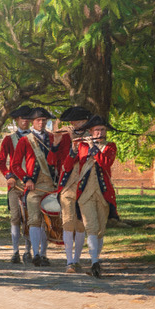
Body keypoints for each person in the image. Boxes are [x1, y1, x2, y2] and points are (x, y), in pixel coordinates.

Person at [12, 107, 71, 267]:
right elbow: (15, 165)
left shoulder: (54, 139)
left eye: (44, 120)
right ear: (33, 122)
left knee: (49, 222)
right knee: (34, 220)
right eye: (38, 120)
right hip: (34, 187)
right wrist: (26, 179)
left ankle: (44, 254)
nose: (41, 123)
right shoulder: (25, 140)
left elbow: (58, 161)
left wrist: (56, 147)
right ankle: (36, 254)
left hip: (52, 186)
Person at [63, 115, 118, 278]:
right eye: (96, 130)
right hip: (85, 193)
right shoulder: (82, 147)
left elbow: (105, 163)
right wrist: (73, 150)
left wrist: (93, 146)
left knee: (100, 230)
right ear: (90, 132)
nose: (99, 132)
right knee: (91, 227)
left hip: (103, 193)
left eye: (102, 130)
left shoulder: (110, 147)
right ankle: (94, 262)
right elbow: (66, 167)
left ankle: (96, 258)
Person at [55, 105, 93, 273]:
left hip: (86, 186)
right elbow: (63, 164)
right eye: (73, 121)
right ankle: (69, 261)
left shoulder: (92, 138)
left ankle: (76, 259)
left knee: (80, 225)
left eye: (78, 121)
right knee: (68, 222)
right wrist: (71, 147)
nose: (74, 124)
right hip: (68, 186)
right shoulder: (64, 138)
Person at [0, 104, 33, 264]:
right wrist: (8, 175)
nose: (25, 121)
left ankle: (28, 250)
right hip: (15, 183)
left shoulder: (35, 137)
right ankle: (15, 251)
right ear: (17, 120)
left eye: (27, 118)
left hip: (32, 182)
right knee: (15, 217)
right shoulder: (9, 139)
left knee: (31, 218)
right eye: (22, 118)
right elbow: (1, 161)